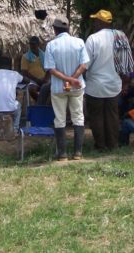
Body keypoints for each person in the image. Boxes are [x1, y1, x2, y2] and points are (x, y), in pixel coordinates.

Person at [84, 9, 134, 151]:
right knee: (112, 115)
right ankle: (112, 145)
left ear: (100, 22)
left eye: (95, 20)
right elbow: (126, 62)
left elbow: (85, 64)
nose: (94, 23)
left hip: (95, 85)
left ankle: (100, 145)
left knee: (97, 116)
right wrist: (125, 81)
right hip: (114, 85)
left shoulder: (93, 39)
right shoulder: (121, 36)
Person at [44, 16, 90, 160]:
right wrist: (73, 78)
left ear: (55, 29)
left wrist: (67, 80)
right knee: (78, 117)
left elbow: (51, 69)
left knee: (60, 119)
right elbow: (84, 65)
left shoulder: (51, 45)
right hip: (76, 87)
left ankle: (62, 154)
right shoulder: (79, 42)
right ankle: (77, 153)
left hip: (59, 88)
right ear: (68, 28)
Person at [0, 56, 28, 135]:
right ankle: (15, 129)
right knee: (19, 105)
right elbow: (27, 81)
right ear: (11, 65)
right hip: (12, 109)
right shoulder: (15, 74)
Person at [20, 36, 50, 104]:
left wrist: (45, 79)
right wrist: (37, 80)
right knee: (32, 90)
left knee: (52, 90)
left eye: (34, 44)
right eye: (31, 44)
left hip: (44, 79)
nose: (32, 46)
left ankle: (43, 104)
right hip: (32, 80)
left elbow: (49, 69)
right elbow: (24, 72)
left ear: (38, 44)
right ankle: (40, 103)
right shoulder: (25, 57)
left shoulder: (44, 55)